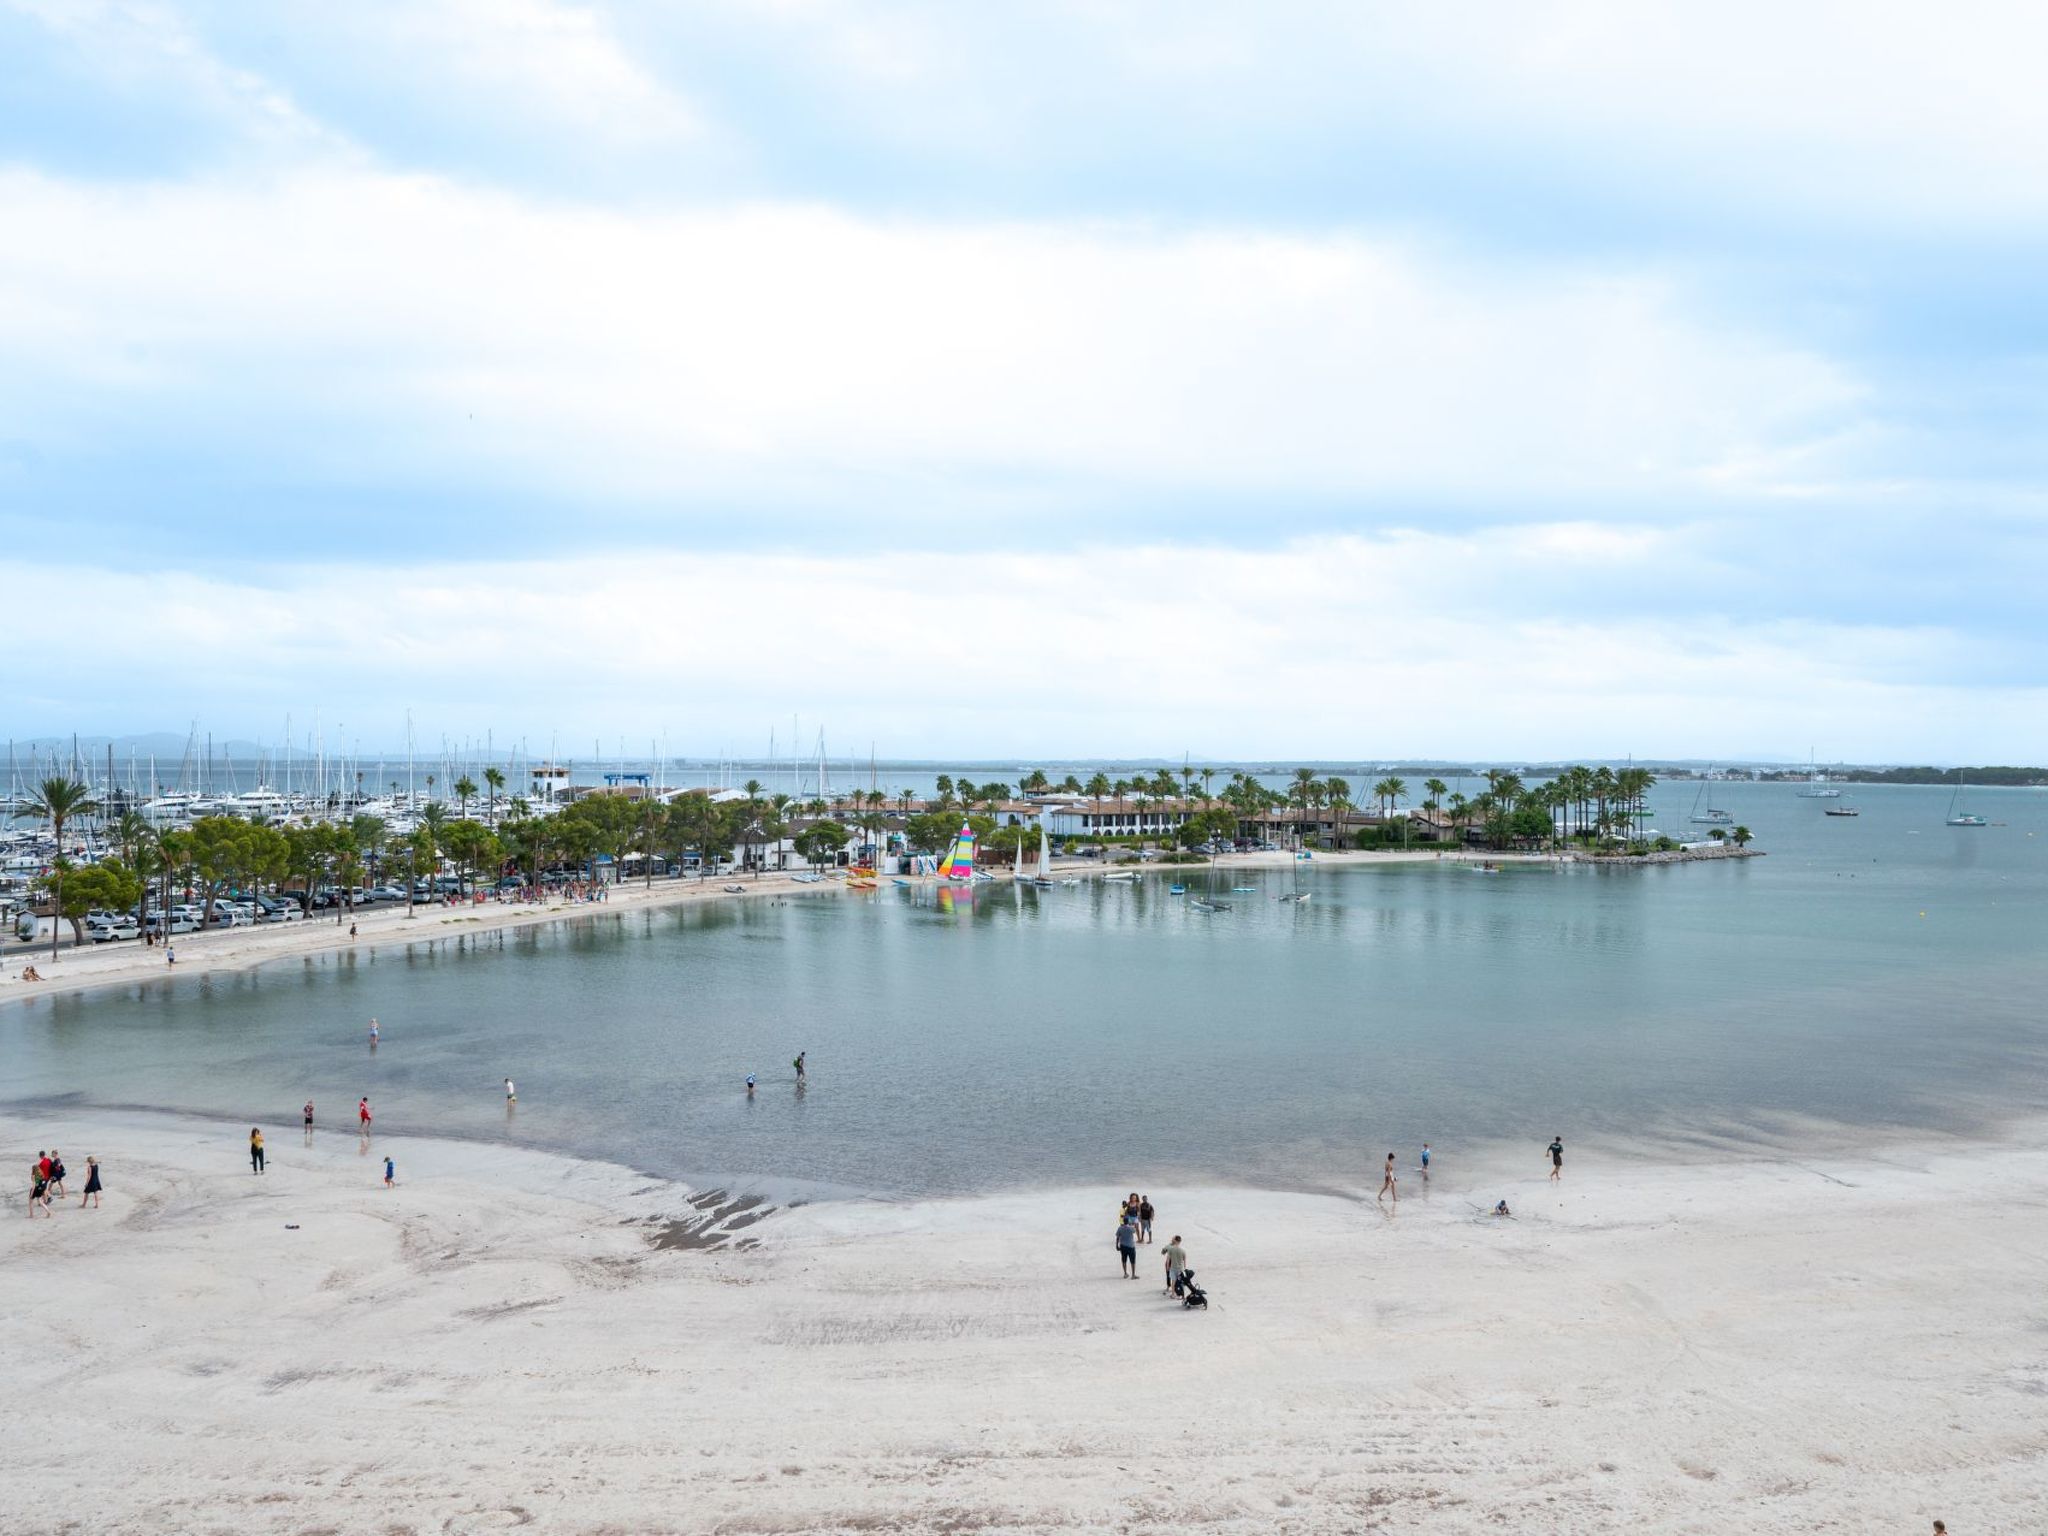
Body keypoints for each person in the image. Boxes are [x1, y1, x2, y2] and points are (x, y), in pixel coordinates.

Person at [1115, 1213, 1139, 1278]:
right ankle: (1133, 1275)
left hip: (1123, 1246)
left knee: (1124, 1260)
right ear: (1128, 1221)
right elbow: (1135, 1230)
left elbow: (1117, 1237)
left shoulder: (1120, 1228)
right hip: (1131, 1246)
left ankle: (1125, 1273)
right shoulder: (1131, 1228)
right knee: (1133, 1261)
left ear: (1123, 1221)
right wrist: (1134, 1225)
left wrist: (1117, 1245)